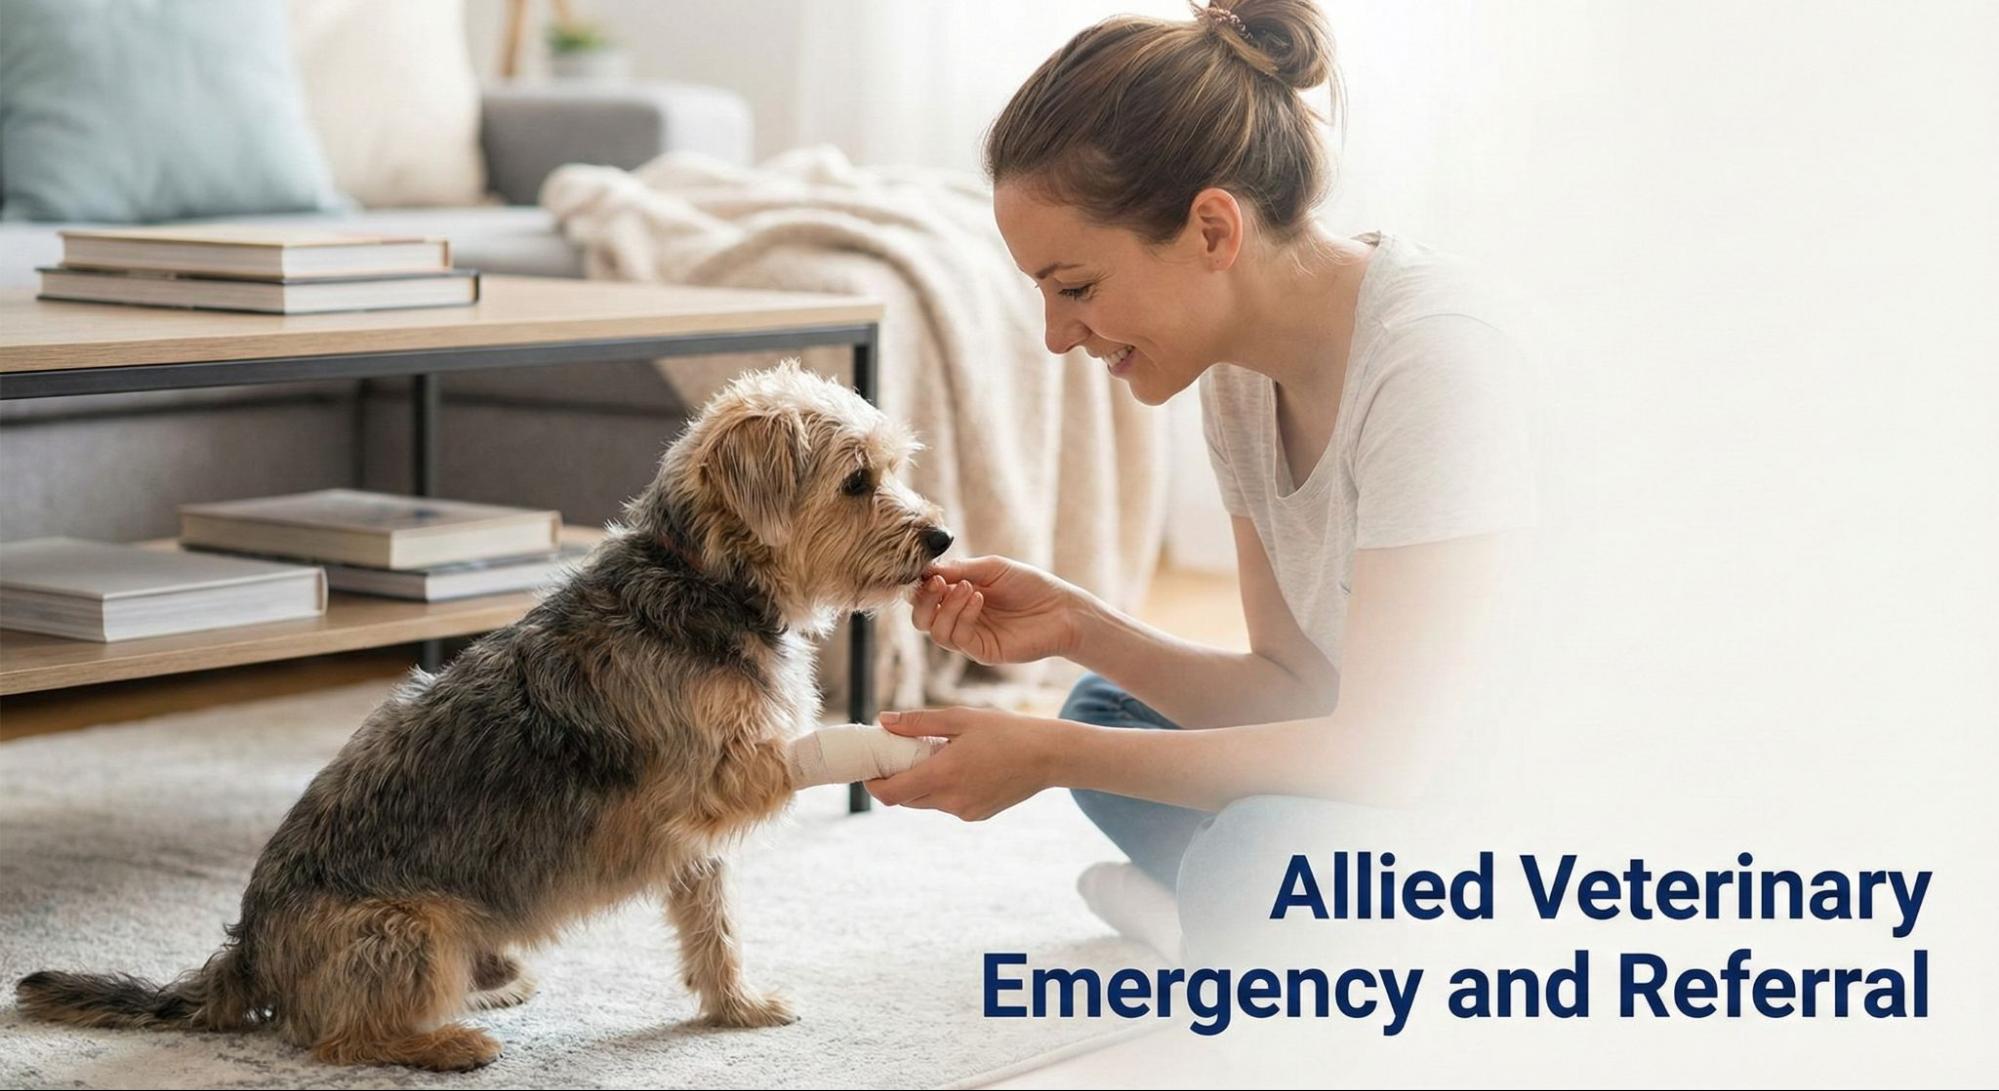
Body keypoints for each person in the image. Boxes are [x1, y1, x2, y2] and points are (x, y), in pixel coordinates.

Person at [865, 0, 1537, 964]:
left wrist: (1049, 762)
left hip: (1538, 789)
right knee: (1102, 707)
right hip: (1404, 768)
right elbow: (1296, 685)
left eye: (1077, 287)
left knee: (1254, 850)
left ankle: (1219, 917)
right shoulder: (1234, 374)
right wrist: (1081, 624)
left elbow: (1386, 753)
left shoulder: (1431, 365)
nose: (1057, 334)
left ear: (1212, 229)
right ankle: (1251, 924)